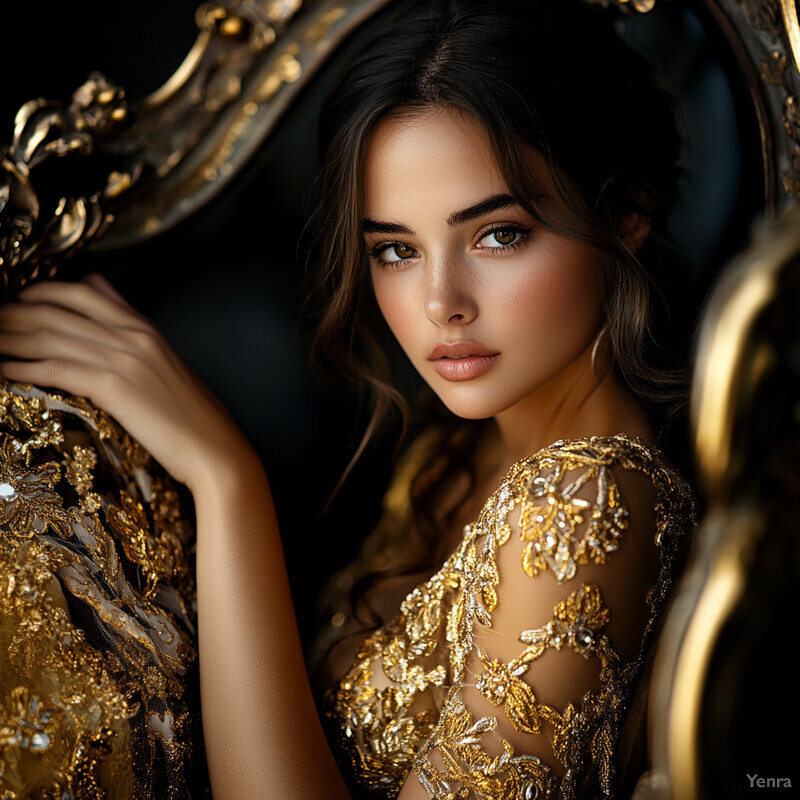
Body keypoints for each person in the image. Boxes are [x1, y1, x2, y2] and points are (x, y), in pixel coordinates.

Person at [0, 0, 696, 797]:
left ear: (627, 215)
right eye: (396, 250)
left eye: (498, 233)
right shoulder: (460, 452)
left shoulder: (589, 501)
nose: (441, 303)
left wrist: (226, 480)